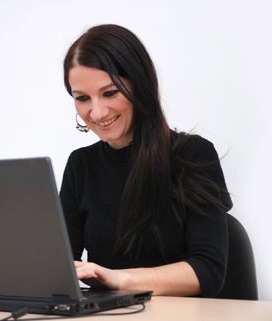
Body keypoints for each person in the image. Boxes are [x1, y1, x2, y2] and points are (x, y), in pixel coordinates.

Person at [60, 24, 232, 298]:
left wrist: (117, 278)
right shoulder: (81, 165)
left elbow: (208, 271)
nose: (97, 111)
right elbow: (59, 267)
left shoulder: (194, 155)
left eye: (110, 92)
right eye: (82, 98)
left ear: (138, 85)